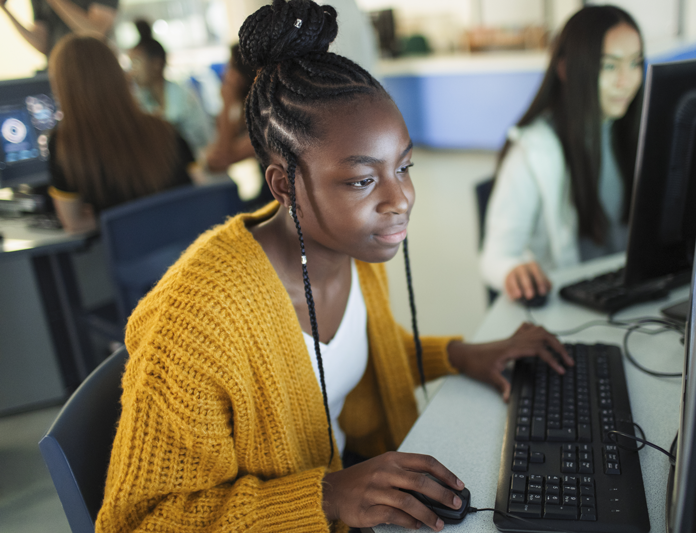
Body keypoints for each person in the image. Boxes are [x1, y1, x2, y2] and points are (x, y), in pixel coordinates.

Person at [94, 1, 573, 532]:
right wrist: (324, 496)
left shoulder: (349, 247)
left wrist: (462, 353)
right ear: (283, 185)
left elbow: (369, 350)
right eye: (362, 180)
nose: (401, 199)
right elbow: (139, 523)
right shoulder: (198, 324)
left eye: (404, 167)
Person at [479, 5, 644, 302]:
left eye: (635, 63)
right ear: (566, 70)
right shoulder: (534, 152)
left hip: (631, 293)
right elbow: (494, 257)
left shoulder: (637, 129)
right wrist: (512, 269)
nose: (626, 80)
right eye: (609, 66)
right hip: (573, 304)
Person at [46, 35, 196, 233]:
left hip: (133, 261)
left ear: (62, 86)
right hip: (190, 253)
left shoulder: (65, 143)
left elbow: (74, 224)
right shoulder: (164, 129)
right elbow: (197, 195)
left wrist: (106, 219)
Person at [128, 28, 214, 155]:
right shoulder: (140, 99)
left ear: (157, 64)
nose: (132, 72)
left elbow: (201, 141)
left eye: (136, 63)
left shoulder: (183, 95)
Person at [204, 44, 257, 174]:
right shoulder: (248, 113)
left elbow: (221, 160)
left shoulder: (267, 116)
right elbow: (213, 158)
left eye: (230, 67)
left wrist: (227, 103)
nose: (224, 74)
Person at [0, 0, 117, 57]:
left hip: (94, 66)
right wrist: (5, 9)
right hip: (60, 69)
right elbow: (42, 44)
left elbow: (95, 32)